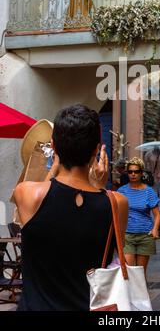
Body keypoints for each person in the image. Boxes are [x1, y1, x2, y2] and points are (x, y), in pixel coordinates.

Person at [13, 104, 128, 311]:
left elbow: (50, 190)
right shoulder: (117, 203)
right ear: (97, 149)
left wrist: (55, 165)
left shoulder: (27, 194)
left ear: (54, 147)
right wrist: (98, 186)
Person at [118, 157, 160, 276]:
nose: (133, 174)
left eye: (136, 172)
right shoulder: (121, 191)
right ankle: (131, 295)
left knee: (140, 274)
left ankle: (142, 295)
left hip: (145, 236)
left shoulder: (149, 191)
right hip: (127, 236)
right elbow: (117, 214)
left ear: (141, 173)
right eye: (130, 172)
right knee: (129, 272)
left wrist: (155, 229)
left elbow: (157, 215)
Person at [144, 147, 160, 212]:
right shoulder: (148, 154)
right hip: (153, 177)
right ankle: (153, 210)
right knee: (153, 194)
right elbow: (146, 165)